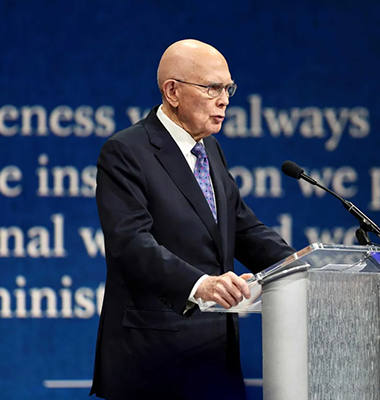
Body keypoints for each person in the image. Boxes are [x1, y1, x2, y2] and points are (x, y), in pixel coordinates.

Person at [89, 39, 295, 400]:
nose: (225, 99)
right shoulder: (126, 151)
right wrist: (200, 284)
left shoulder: (209, 148)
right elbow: (130, 243)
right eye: (212, 87)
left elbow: (242, 227)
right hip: (154, 359)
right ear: (172, 91)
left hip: (215, 356)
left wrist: (303, 266)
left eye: (228, 88)